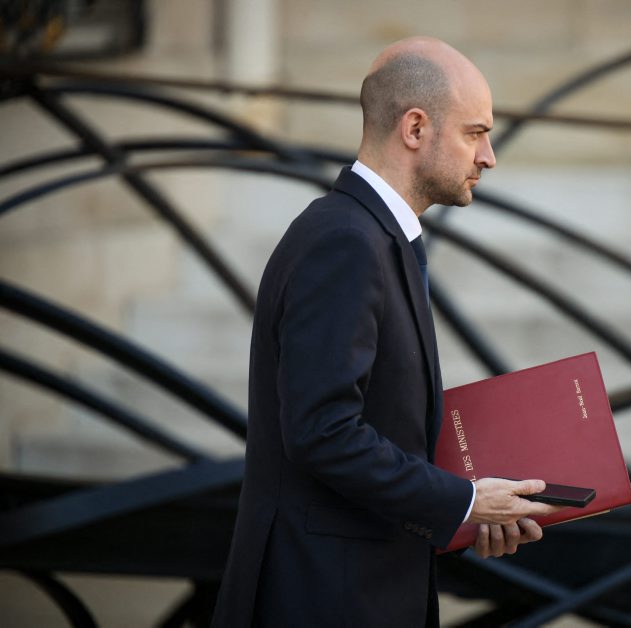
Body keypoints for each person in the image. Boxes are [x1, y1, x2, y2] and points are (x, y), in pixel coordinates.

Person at [211, 37, 560, 628]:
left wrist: (473, 509)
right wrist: (464, 501)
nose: (489, 156)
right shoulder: (345, 241)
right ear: (415, 128)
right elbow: (322, 431)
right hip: (321, 600)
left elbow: (378, 424)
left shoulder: (370, 234)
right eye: (475, 133)